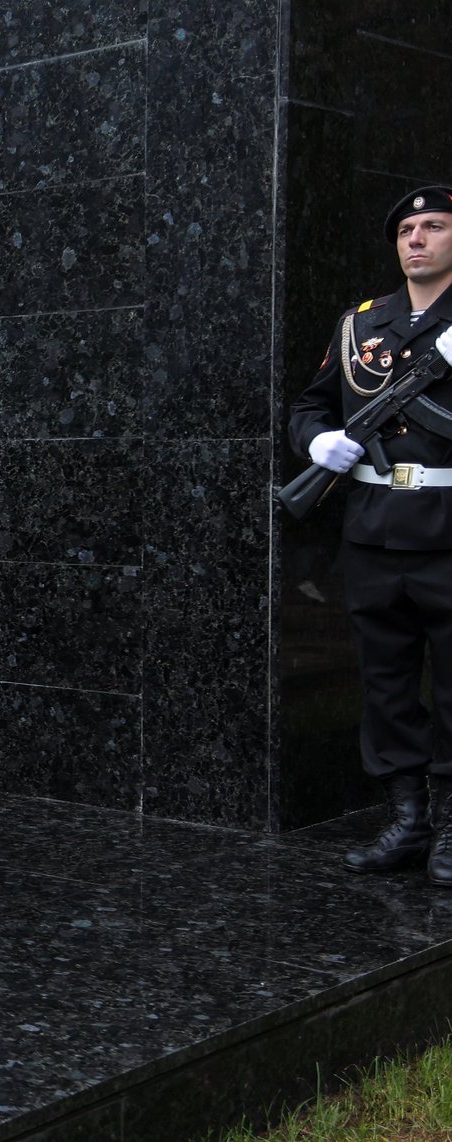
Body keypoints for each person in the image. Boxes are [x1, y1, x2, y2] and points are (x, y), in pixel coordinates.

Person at [289, 185, 452, 882]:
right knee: (385, 686)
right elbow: (309, 404)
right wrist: (319, 440)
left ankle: (450, 828)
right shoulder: (362, 324)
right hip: (374, 535)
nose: (416, 239)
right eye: (407, 229)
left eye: (435, 226)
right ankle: (407, 822)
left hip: (449, 533)